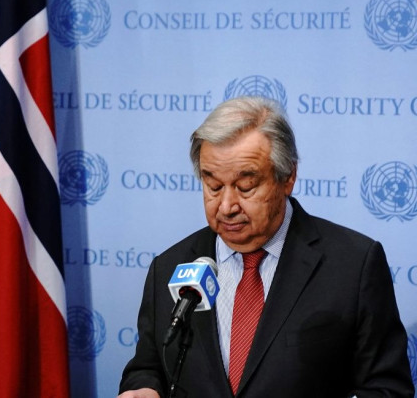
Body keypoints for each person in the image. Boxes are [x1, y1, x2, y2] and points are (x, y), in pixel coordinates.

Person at [118, 96, 414, 398]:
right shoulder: (170, 267)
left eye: (246, 186)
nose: (227, 206)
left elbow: (387, 388)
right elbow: (148, 365)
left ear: (288, 178)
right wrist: (144, 389)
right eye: (213, 186)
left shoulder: (353, 266)